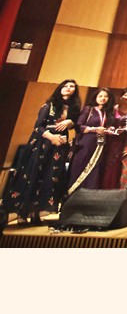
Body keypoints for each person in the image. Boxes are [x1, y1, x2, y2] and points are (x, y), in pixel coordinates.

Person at [4, 79, 79, 225]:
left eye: (72, 87)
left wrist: (70, 123)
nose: (69, 88)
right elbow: (38, 127)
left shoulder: (73, 109)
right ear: (60, 88)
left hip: (58, 147)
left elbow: (74, 126)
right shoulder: (49, 105)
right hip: (42, 145)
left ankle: (36, 213)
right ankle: (22, 214)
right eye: (65, 86)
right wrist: (51, 137)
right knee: (33, 176)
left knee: (49, 177)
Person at [69, 87, 121, 193]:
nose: (103, 98)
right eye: (100, 96)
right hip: (85, 144)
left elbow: (103, 127)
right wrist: (95, 129)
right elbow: (78, 126)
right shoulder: (89, 109)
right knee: (79, 167)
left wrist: (109, 129)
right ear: (95, 97)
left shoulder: (107, 113)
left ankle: (87, 197)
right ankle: (72, 194)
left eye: (106, 96)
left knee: (94, 171)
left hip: (99, 146)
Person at [99, 87, 127, 189]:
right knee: (104, 163)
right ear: (120, 97)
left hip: (122, 142)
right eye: (125, 95)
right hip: (108, 141)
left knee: (116, 167)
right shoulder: (112, 109)